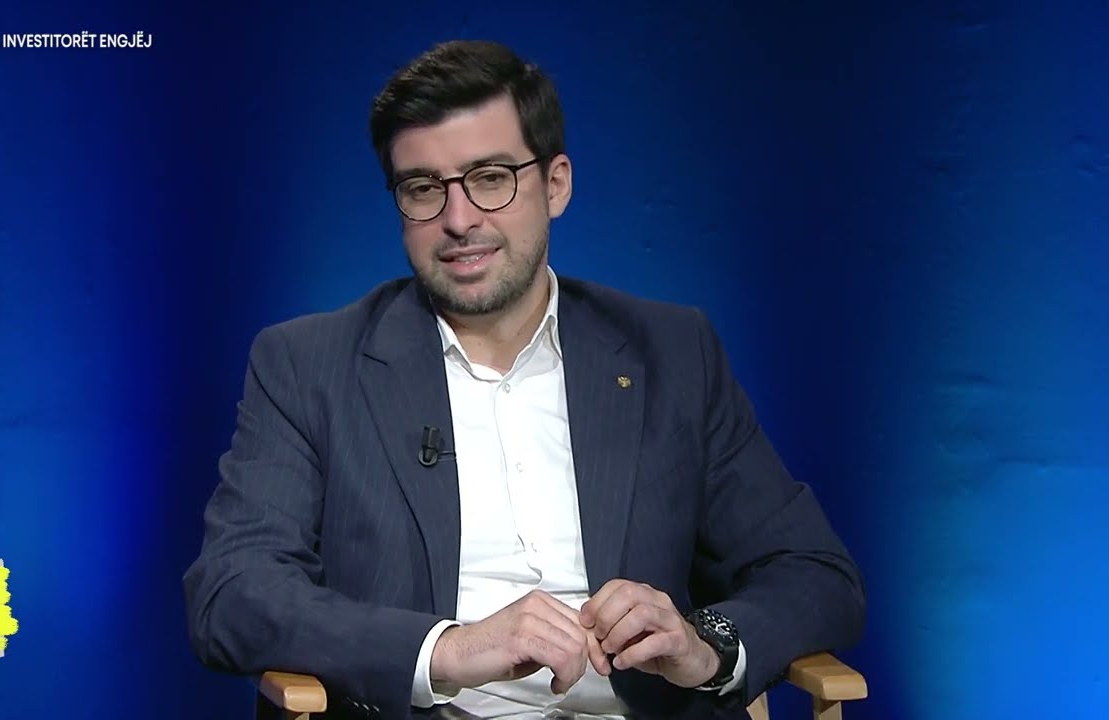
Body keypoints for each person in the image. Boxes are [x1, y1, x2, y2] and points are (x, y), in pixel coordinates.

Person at [183, 39, 864, 720]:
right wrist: (443, 650)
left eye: (490, 178)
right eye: (423, 188)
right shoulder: (309, 364)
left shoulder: (673, 353)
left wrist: (704, 645)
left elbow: (815, 574)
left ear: (555, 184)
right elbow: (233, 591)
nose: (458, 220)